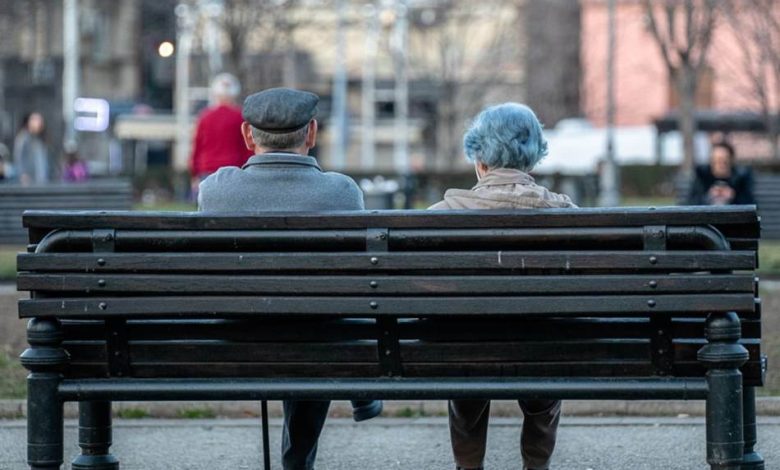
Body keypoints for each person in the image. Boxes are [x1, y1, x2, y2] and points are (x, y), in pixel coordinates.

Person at [198, 87, 382, 470]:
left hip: (236, 333)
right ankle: (307, 450)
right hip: (319, 335)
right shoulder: (342, 192)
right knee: (320, 321)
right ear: (312, 133)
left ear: (248, 135)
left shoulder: (216, 190)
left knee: (310, 320)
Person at [430, 103, 574, 470]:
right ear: (533, 159)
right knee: (545, 371)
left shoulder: (441, 214)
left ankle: (468, 466)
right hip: (546, 348)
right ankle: (536, 465)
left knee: (466, 366)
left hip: (464, 349)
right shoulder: (567, 214)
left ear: (479, 160)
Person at [190, 73, 254, 199]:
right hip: (234, 170)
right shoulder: (240, 117)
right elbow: (247, 147)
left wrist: (194, 173)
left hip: (207, 170)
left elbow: (197, 147)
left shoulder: (204, 117)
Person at [686, 141, 755, 206]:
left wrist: (733, 196)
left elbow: (750, 206)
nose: (720, 165)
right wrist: (709, 197)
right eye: (716, 161)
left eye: (724, 161)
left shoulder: (741, 179)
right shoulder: (702, 177)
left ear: (731, 161)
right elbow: (691, 204)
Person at [13, 112, 49, 185]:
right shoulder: (23, 138)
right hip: (28, 182)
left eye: (40, 121)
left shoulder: (40, 140)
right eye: (35, 120)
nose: (38, 124)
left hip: (41, 181)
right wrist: (22, 174)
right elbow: (18, 157)